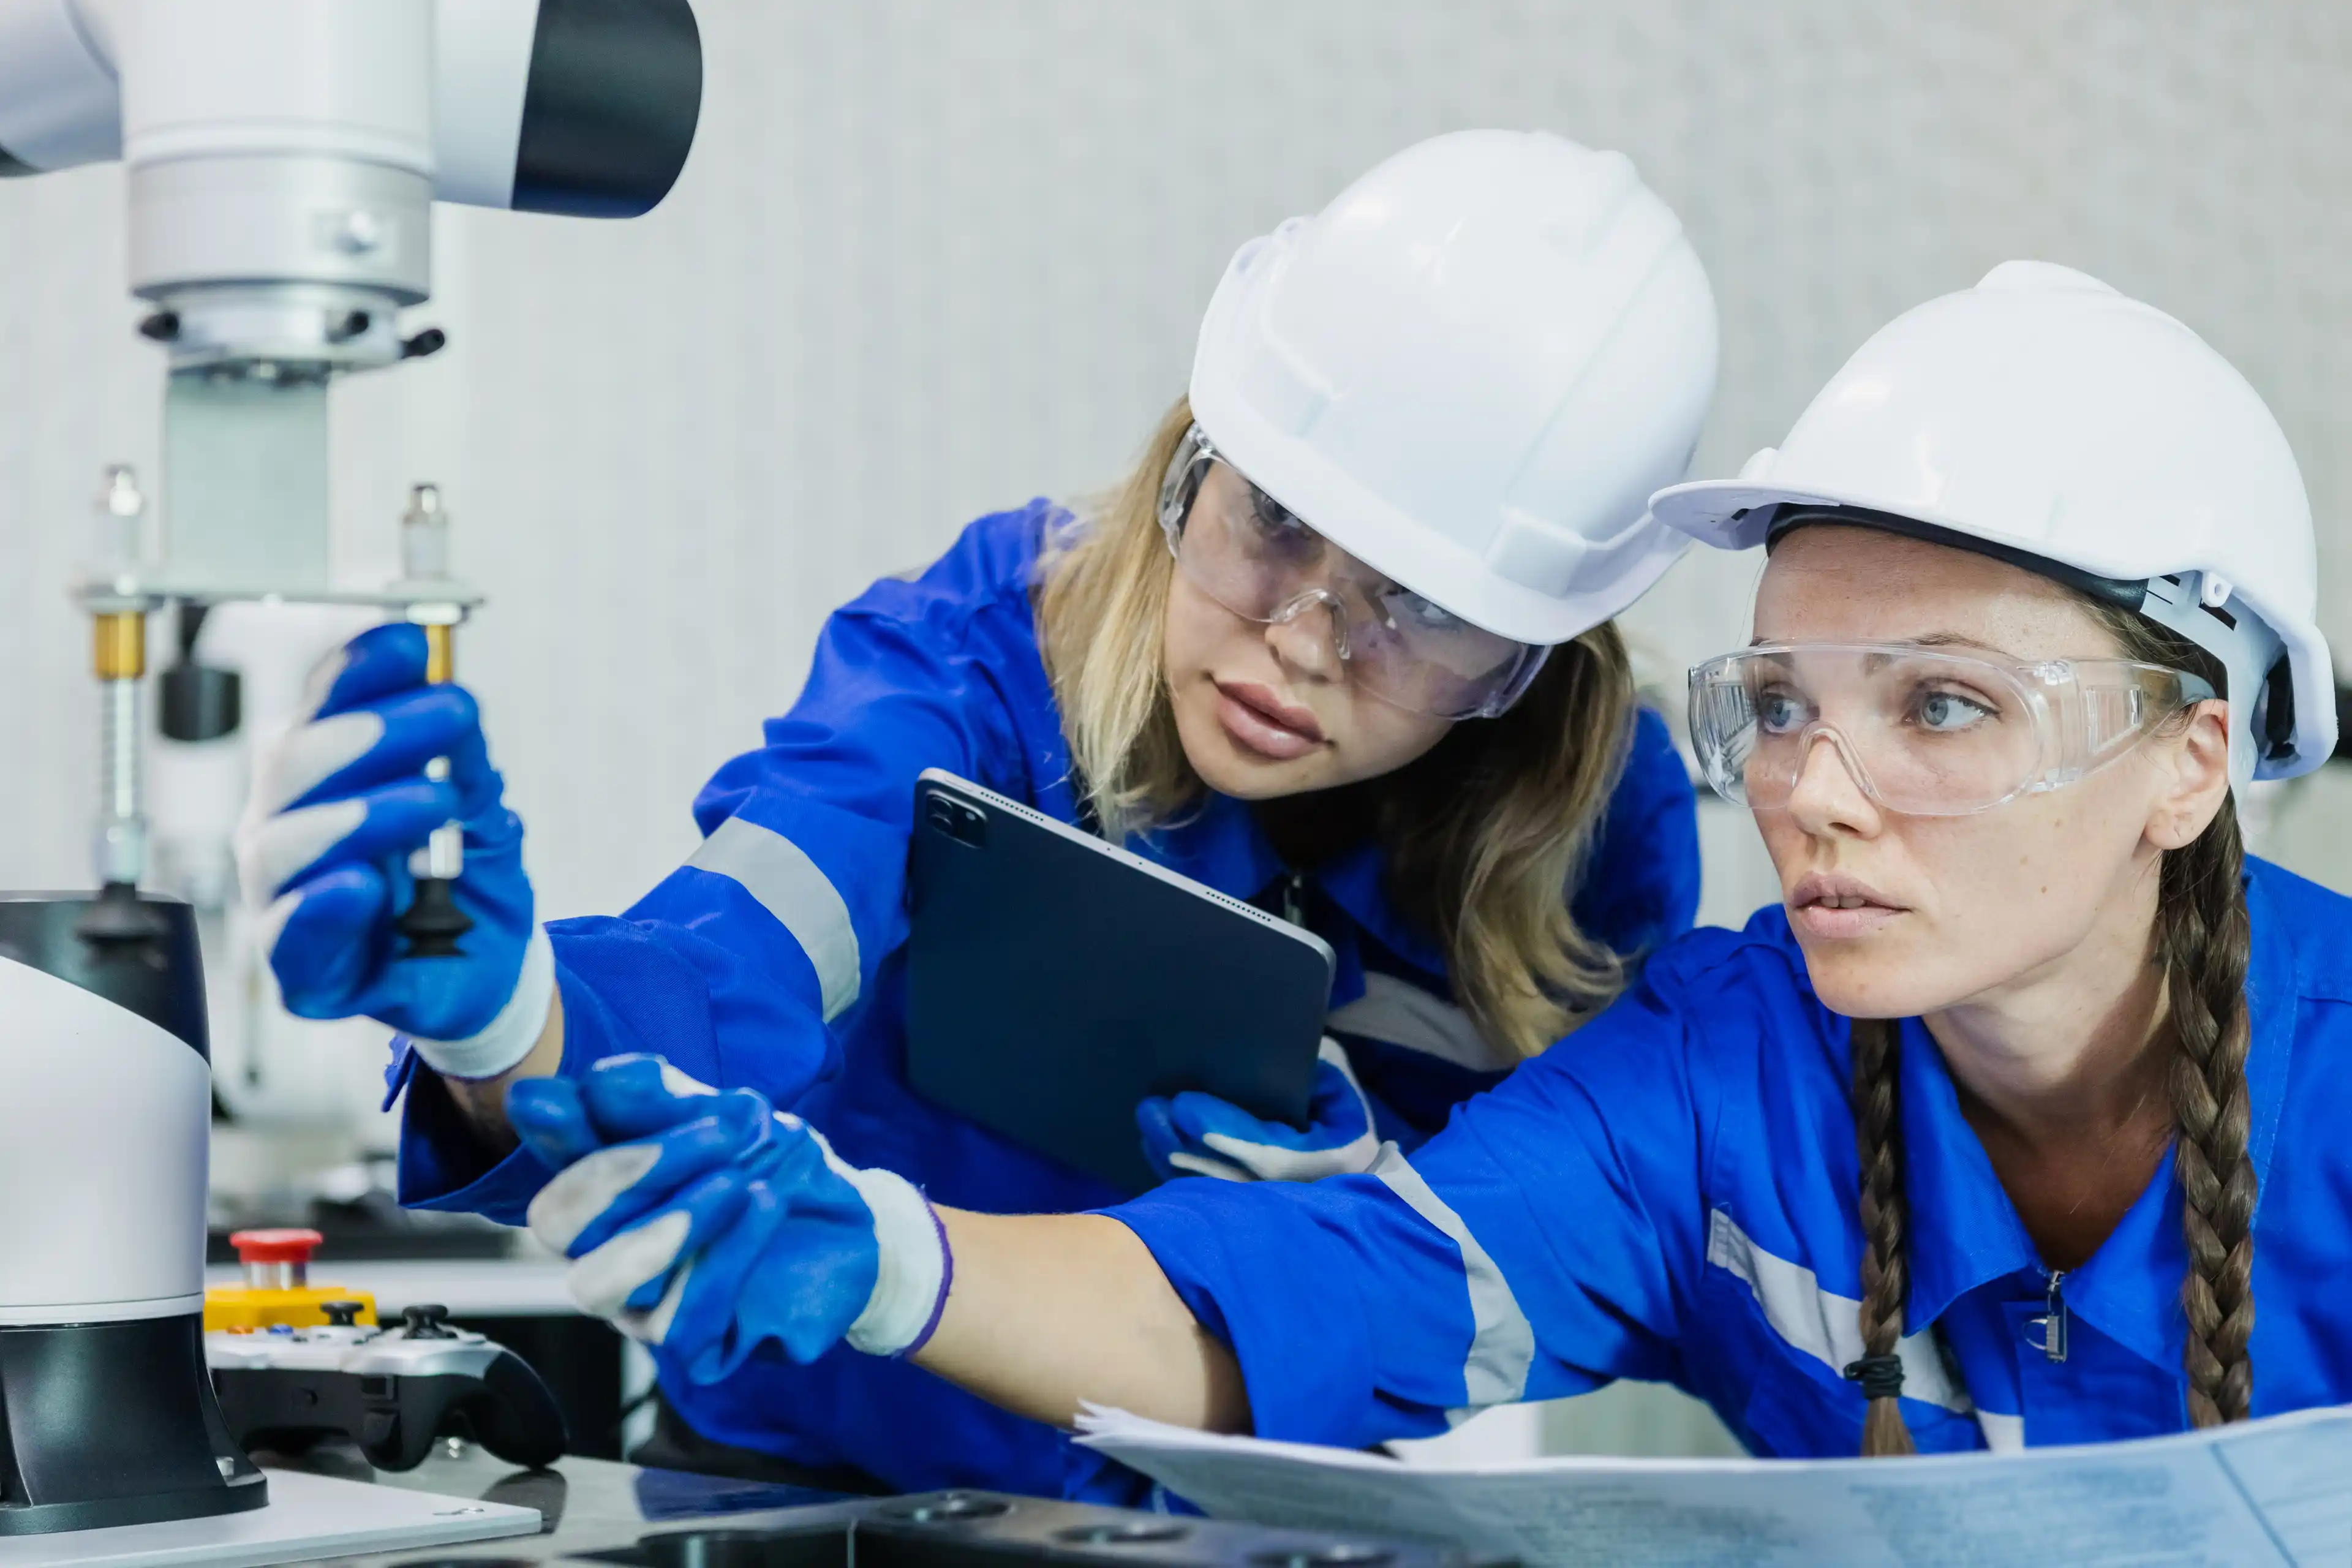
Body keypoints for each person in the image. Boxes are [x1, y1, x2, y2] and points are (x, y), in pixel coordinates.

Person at [505, 262, 2350, 1461]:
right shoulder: (1723, 1079)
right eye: (1782, 702)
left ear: (2192, 760)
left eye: (1944, 709)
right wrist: (889, 1258)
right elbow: (1330, 1286)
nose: (1817, 791)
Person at [234, 130, 1722, 1496]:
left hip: (1218, 1508)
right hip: (786, 1481)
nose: (1306, 640)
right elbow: (736, 950)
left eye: (1419, 607)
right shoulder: (981, 652)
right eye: (1273, 520)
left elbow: (1523, 1254)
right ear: (1191, 457)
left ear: (1528, 652)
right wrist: (509, 1019)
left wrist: (1345, 1218)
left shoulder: (1589, 837)